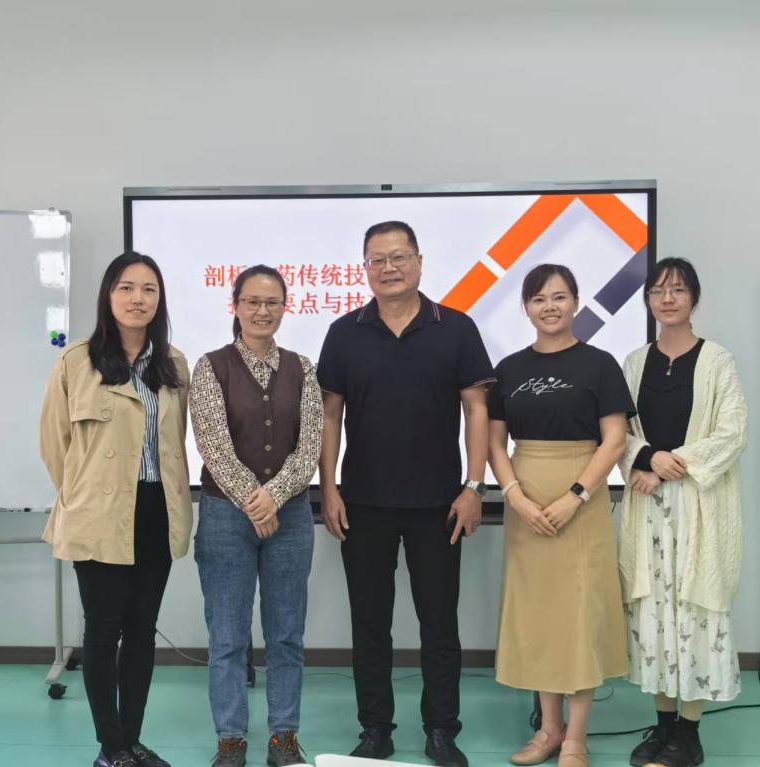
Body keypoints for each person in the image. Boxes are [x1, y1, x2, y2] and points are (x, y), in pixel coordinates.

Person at [317, 221, 494, 767]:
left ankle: (441, 730)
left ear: (419, 261)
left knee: (439, 623)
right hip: (363, 501)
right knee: (370, 624)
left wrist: (474, 486)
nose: (389, 267)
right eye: (378, 259)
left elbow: (477, 410)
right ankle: (375, 730)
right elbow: (329, 415)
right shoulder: (344, 332)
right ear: (365, 268)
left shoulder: (456, 327)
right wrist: (329, 488)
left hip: (439, 503)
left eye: (399, 257)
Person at [40, 252, 193, 767]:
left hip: (156, 510)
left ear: (159, 300)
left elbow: (175, 444)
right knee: (103, 632)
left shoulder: (173, 364)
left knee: (142, 632)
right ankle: (110, 747)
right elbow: (55, 444)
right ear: (108, 296)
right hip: (99, 514)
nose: (137, 299)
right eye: (126, 287)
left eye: (149, 289)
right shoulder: (76, 361)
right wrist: (85, 495)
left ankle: (131, 739)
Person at [487, 264, 634, 767]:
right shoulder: (508, 368)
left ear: (575, 302)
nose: (549, 307)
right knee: (540, 616)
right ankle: (548, 730)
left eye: (559, 297)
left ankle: (576, 737)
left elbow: (614, 440)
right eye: (538, 299)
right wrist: (514, 496)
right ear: (526, 308)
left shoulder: (600, 364)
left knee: (579, 613)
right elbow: (495, 442)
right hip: (525, 499)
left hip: (583, 500)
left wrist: (576, 495)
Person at [190, 265, 323, 767]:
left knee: (286, 635)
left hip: (290, 520)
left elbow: (309, 447)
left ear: (285, 307)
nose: (262, 311)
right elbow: (212, 444)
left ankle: (283, 738)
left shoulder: (304, 369)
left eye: (272, 302)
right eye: (252, 301)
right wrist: (254, 499)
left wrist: (275, 497)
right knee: (228, 637)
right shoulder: (211, 367)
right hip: (226, 519)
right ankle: (230, 740)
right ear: (236, 306)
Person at [618, 258, 747, 767]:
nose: (667, 298)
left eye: (677, 289)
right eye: (658, 291)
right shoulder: (634, 363)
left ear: (694, 297)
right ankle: (663, 725)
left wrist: (671, 464)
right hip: (646, 506)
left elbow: (732, 432)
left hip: (699, 505)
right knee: (652, 611)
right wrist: (646, 459)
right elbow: (618, 432)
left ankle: (689, 734)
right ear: (648, 301)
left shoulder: (718, 361)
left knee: (694, 609)